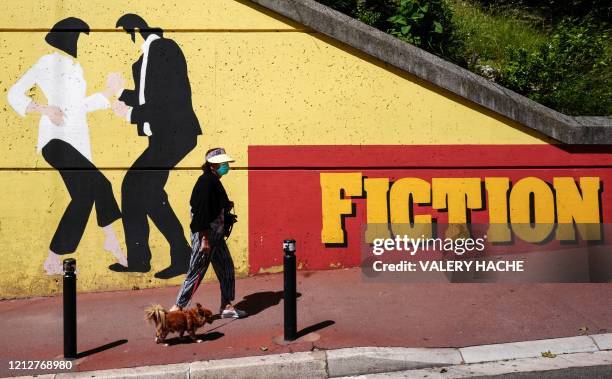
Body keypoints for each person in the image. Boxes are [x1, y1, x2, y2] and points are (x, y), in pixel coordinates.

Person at [7, 17, 127, 275]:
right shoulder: (47, 62)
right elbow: (14, 93)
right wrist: (43, 108)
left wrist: (109, 92)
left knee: (84, 197)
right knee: (101, 185)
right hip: (55, 140)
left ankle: (52, 260)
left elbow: (79, 107)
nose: (77, 42)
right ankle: (111, 239)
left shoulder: (76, 68)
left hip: (77, 143)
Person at [108, 14, 202, 279]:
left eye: (129, 33)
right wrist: (120, 94)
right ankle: (150, 257)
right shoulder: (143, 60)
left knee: (138, 187)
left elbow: (167, 98)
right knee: (143, 190)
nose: (130, 39)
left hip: (176, 133)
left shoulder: (165, 49)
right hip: (162, 135)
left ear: (137, 30)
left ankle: (174, 254)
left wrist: (129, 115)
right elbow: (146, 96)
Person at [169, 148, 246, 319]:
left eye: (226, 163)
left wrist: (226, 205)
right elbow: (200, 213)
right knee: (196, 272)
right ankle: (176, 309)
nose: (226, 166)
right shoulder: (206, 182)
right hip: (206, 236)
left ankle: (226, 306)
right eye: (223, 163)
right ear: (212, 164)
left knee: (226, 267)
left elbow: (214, 204)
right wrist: (204, 240)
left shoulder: (214, 180)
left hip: (216, 236)